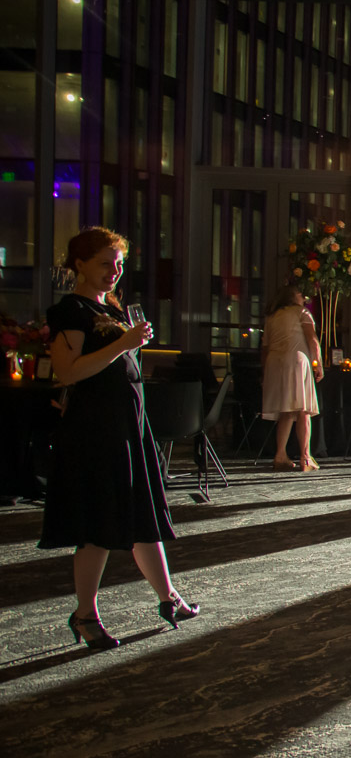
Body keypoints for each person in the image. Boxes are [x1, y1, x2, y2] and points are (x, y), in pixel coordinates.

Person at [39, 227, 198, 649]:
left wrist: (129, 345)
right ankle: (85, 614)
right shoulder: (71, 310)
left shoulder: (108, 306)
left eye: (120, 263)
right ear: (80, 264)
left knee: (142, 518)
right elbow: (68, 372)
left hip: (126, 427)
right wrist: (124, 344)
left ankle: (169, 597)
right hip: (96, 431)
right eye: (106, 263)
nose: (115, 271)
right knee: (100, 523)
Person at [260, 285, 324, 472]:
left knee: (286, 410)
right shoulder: (302, 312)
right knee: (303, 409)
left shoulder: (272, 316)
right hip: (296, 360)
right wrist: (318, 364)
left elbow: (265, 347)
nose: (304, 297)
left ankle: (280, 454)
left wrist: (264, 372)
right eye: (300, 294)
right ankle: (306, 457)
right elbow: (312, 339)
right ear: (292, 296)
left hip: (274, 362)